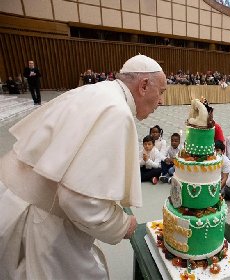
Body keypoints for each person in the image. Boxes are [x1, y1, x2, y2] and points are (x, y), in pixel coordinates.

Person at [0, 54, 166, 279]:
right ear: (144, 85)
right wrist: (122, 224)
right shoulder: (117, 112)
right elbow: (80, 200)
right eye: (162, 92)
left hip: (15, 202)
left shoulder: (96, 91)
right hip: (45, 224)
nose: (162, 101)